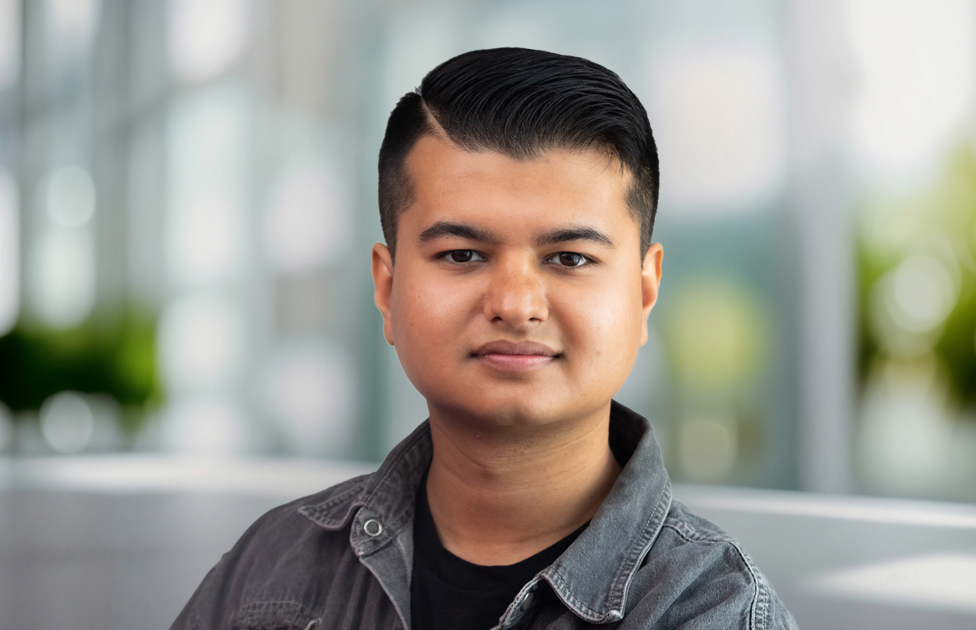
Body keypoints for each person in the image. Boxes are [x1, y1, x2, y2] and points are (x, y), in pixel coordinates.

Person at [172, 47, 798, 630]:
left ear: (642, 293)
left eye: (570, 259)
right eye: (463, 253)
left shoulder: (715, 610)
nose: (516, 305)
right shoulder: (275, 566)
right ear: (387, 289)